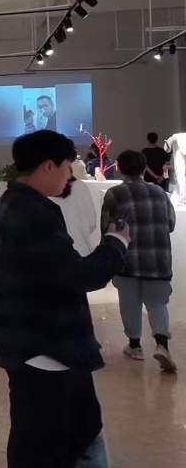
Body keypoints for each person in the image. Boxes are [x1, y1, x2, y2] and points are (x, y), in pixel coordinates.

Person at [0, 130, 130, 468]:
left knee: (53, 433)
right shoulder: (33, 212)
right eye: (66, 168)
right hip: (47, 348)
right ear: (48, 166)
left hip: (31, 342)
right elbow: (77, 276)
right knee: (49, 441)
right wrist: (116, 243)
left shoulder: (12, 202)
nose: (69, 176)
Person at [102, 149, 177, 372]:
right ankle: (162, 345)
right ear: (144, 168)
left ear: (119, 168)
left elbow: (107, 227)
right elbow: (171, 224)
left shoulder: (114, 193)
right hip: (158, 259)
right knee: (157, 303)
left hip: (127, 258)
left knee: (129, 302)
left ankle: (135, 346)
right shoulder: (160, 193)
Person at [51, 176, 101, 257]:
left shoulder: (37, 191)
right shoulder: (79, 185)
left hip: (53, 256)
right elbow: (92, 223)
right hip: (82, 251)